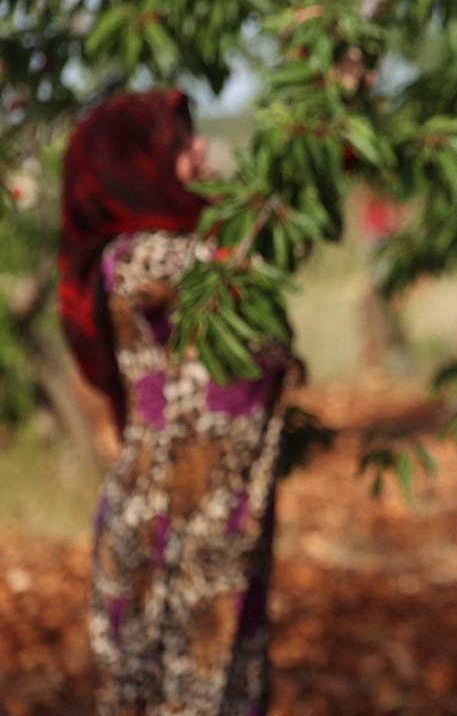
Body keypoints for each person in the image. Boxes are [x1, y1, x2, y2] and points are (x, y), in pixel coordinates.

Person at [58, 89, 300, 715]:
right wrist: (307, 148)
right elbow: (227, 264)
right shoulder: (138, 259)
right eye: (179, 143)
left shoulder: (183, 250)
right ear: (133, 166)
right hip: (166, 540)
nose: (200, 149)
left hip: (223, 535)